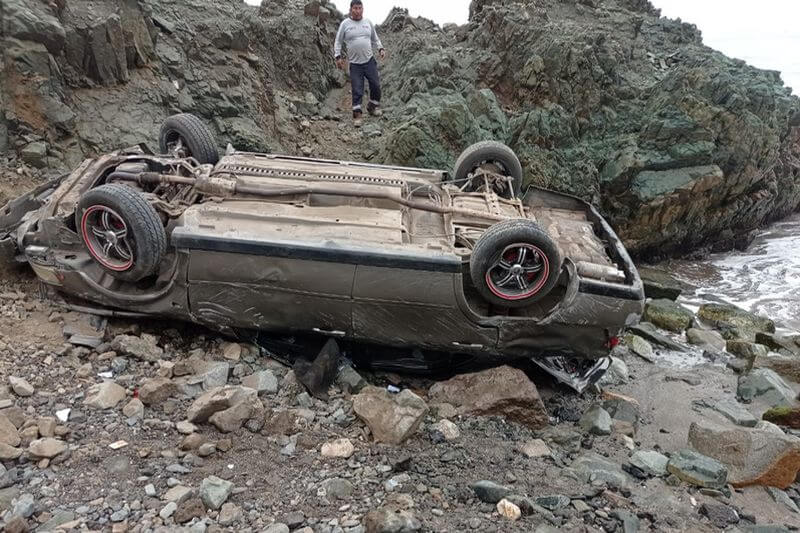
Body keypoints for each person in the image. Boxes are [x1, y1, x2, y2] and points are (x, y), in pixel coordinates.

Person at [334, 0, 386, 127]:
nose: (358, 11)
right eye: (355, 8)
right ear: (350, 9)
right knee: (357, 90)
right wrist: (338, 56)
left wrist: (380, 48)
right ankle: (357, 115)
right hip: (355, 64)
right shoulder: (345, 24)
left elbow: (375, 38)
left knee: (376, 85)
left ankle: (372, 106)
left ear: (363, 9)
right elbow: (338, 41)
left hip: (369, 61)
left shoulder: (368, 23)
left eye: (360, 8)